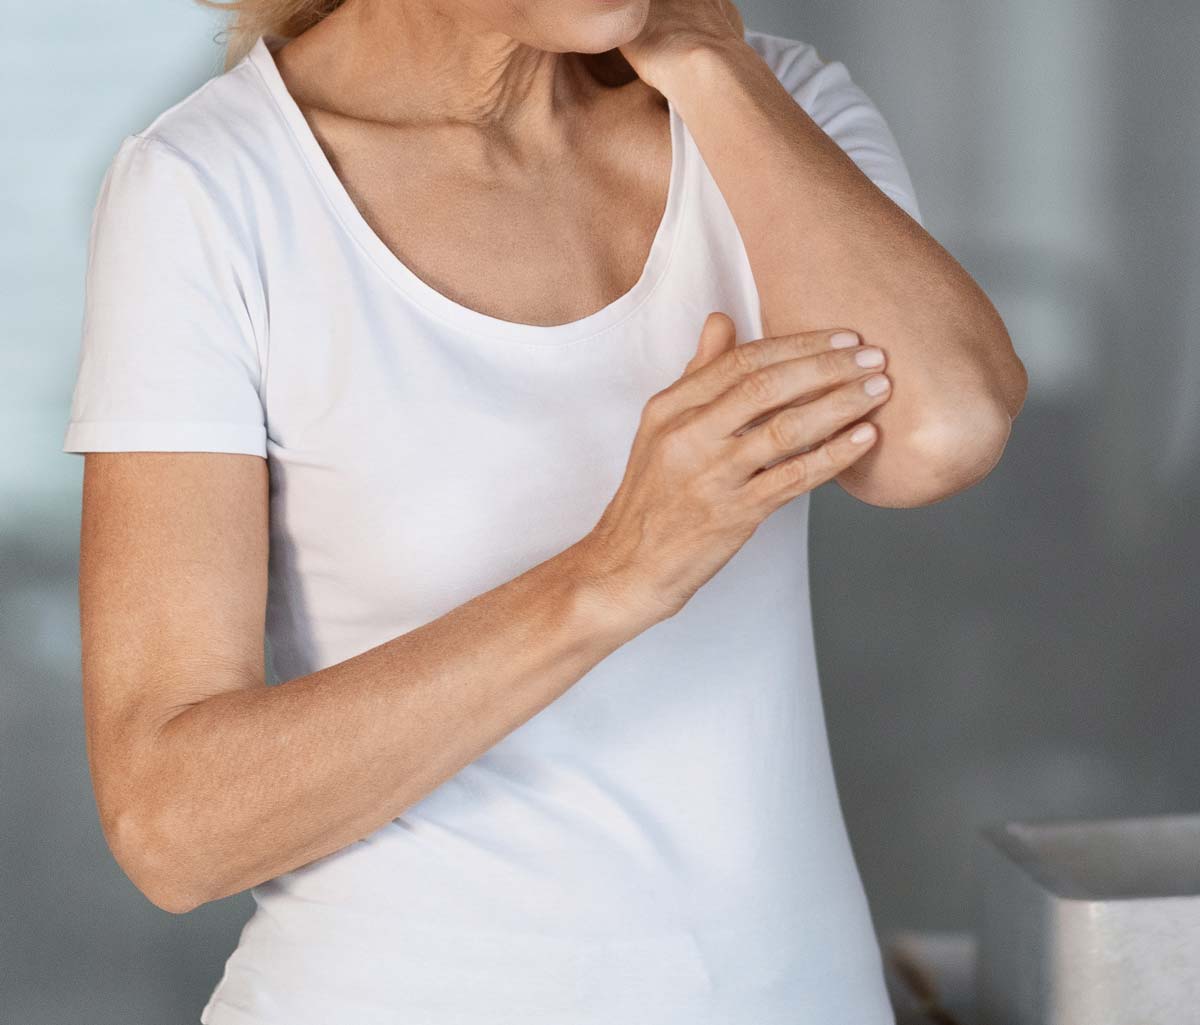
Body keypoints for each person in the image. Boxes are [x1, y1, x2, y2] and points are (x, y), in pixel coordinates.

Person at [61, 0, 1027, 1022]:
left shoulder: (766, 101)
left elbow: (941, 432)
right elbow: (172, 826)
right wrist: (611, 575)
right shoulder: (209, 188)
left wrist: (706, 65)